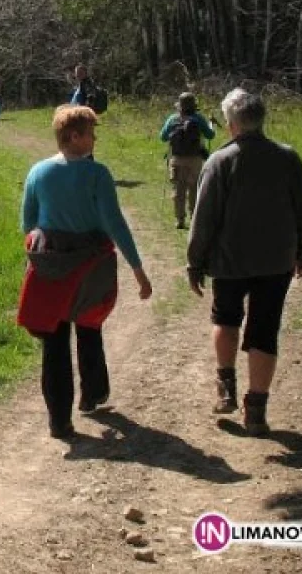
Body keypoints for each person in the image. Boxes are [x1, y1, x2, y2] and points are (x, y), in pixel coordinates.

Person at [186, 88, 302, 437]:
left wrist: (195, 262)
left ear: (231, 124)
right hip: (277, 261)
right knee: (265, 329)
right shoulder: (287, 158)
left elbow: (204, 219)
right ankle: (256, 410)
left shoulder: (220, 161)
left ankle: (226, 388)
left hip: (230, 260)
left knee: (226, 318)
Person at [18, 105, 152, 439]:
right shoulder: (97, 174)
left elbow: (27, 225)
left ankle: (59, 422)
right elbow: (114, 223)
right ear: (73, 136)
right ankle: (92, 395)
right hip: (92, 265)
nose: (94, 138)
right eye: (90, 132)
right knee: (89, 326)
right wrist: (138, 269)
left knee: (55, 341)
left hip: (51, 267)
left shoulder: (37, 173)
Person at [159, 92, 216, 229]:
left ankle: (180, 220)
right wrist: (211, 124)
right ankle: (194, 218)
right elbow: (210, 135)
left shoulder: (173, 119)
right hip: (195, 159)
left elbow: (163, 137)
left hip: (177, 159)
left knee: (179, 190)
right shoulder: (198, 119)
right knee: (194, 188)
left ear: (180, 106)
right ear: (194, 106)